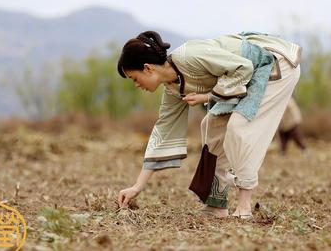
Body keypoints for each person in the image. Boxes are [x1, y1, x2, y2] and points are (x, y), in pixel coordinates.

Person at [116, 31, 301, 218]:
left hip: (274, 65)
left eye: (134, 78)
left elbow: (243, 67)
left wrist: (209, 97)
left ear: (147, 68)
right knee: (210, 125)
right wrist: (138, 186)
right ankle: (217, 205)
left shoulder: (189, 57)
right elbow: (163, 132)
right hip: (248, 75)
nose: (136, 85)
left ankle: (244, 207)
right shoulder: (172, 89)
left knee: (239, 128)